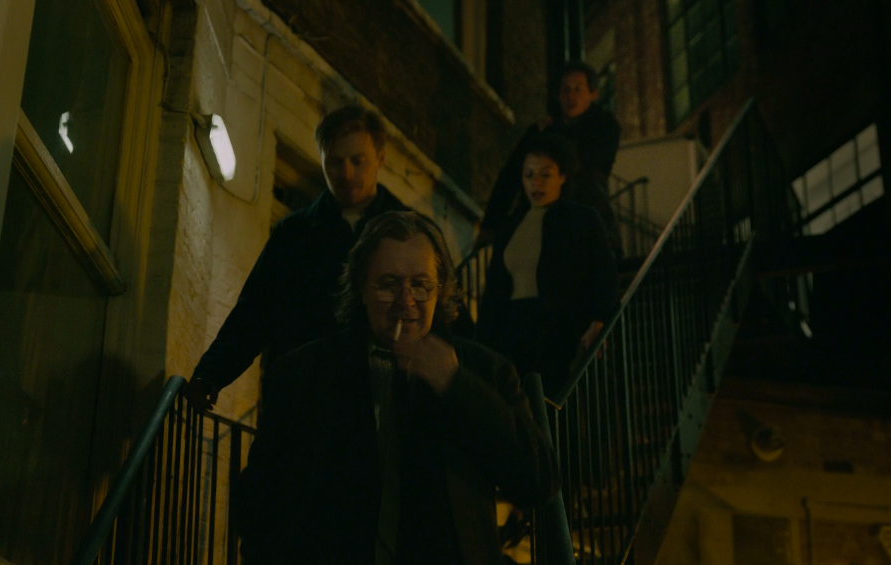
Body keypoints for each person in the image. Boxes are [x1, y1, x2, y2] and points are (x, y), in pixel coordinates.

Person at [231, 211, 559, 565]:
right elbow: (259, 499)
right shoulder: (304, 372)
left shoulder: (485, 371)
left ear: (440, 288)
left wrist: (456, 384)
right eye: (389, 284)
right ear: (361, 287)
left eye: (420, 284)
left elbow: (537, 481)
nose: (406, 301)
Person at [185, 105, 409, 410]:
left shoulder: (408, 235)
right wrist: (212, 372)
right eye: (334, 162)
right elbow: (254, 311)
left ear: (380, 159)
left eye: (358, 161)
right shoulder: (292, 234)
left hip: (374, 403)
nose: (346, 174)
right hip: (300, 398)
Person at [477, 134, 618, 396]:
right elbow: (495, 289)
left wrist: (599, 320)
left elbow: (605, 275)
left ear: (562, 176)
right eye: (529, 175)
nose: (536, 182)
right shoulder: (510, 227)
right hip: (513, 328)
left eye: (545, 174)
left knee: (552, 400)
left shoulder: (582, 219)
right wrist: (484, 340)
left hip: (559, 328)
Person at [480, 60, 622, 252]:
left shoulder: (604, 127)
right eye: (565, 89)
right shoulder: (542, 130)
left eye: (578, 89)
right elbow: (511, 173)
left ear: (593, 94)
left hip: (583, 215)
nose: (571, 96)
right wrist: (490, 223)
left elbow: (590, 165)